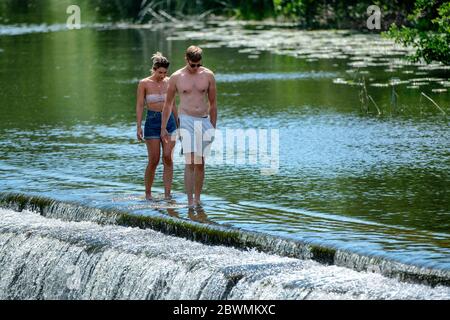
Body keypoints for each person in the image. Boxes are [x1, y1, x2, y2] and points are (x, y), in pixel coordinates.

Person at [161, 46, 217, 207]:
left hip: (204, 120)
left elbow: (213, 104)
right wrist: (163, 127)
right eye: (193, 65)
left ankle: (198, 199)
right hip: (185, 119)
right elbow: (168, 104)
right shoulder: (176, 77)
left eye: (198, 65)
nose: (196, 68)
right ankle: (190, 200)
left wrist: (213, 126)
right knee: (190, 161)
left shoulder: (208, 75)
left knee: (200, 163)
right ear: (186, 59)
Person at [136, 52, 178, 201]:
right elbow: (140, 105)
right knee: (154, 159)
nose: (162, 75)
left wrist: (178, 123)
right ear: (154, 69)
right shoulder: (144, 83)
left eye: (165, 72)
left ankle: (167, 194)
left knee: (168, 157)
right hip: (152, 121)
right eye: (160, 72)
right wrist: (138, 126)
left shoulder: (170, 82)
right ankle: (148, 193)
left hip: (169, 122)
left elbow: (173, 105)